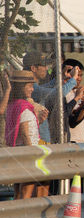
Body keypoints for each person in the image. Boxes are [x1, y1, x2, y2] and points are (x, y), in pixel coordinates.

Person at [6, 70, 46, 198]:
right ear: (21, 87)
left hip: (18, 152)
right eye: (30, 86)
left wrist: (38, 121)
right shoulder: (23, 107)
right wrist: (32, 155)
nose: (32, 89)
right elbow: (24, 134)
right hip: (27, 152)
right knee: (26, 192)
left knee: (19, 190)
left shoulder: (13, 105)